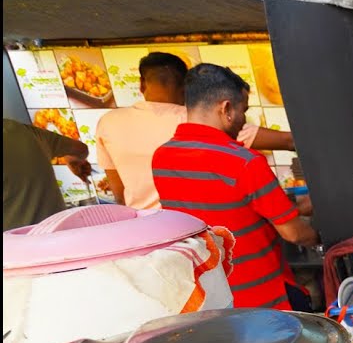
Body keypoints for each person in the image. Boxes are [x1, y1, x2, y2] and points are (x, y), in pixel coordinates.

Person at [152, 64, 319, 311]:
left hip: (212, 300)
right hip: (264, 301)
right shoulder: (244, 162)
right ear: (227, 109)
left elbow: (225, 206)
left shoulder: (162, 158)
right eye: (244, 110)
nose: (243, 119)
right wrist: (323, 239)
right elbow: (294, 234)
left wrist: (295, 206)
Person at [96, 52, 295, 210]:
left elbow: (119, 194)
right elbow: (287, 141)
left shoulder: (108, 122)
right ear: (186, 88)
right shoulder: (195, 119)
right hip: (192, 233)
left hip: (145, 234)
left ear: (141, 85)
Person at [3, 118, 91, 231]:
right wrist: (72, 159)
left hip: (17, 246)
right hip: (63, 236)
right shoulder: (21, 130)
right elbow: (81, 150)